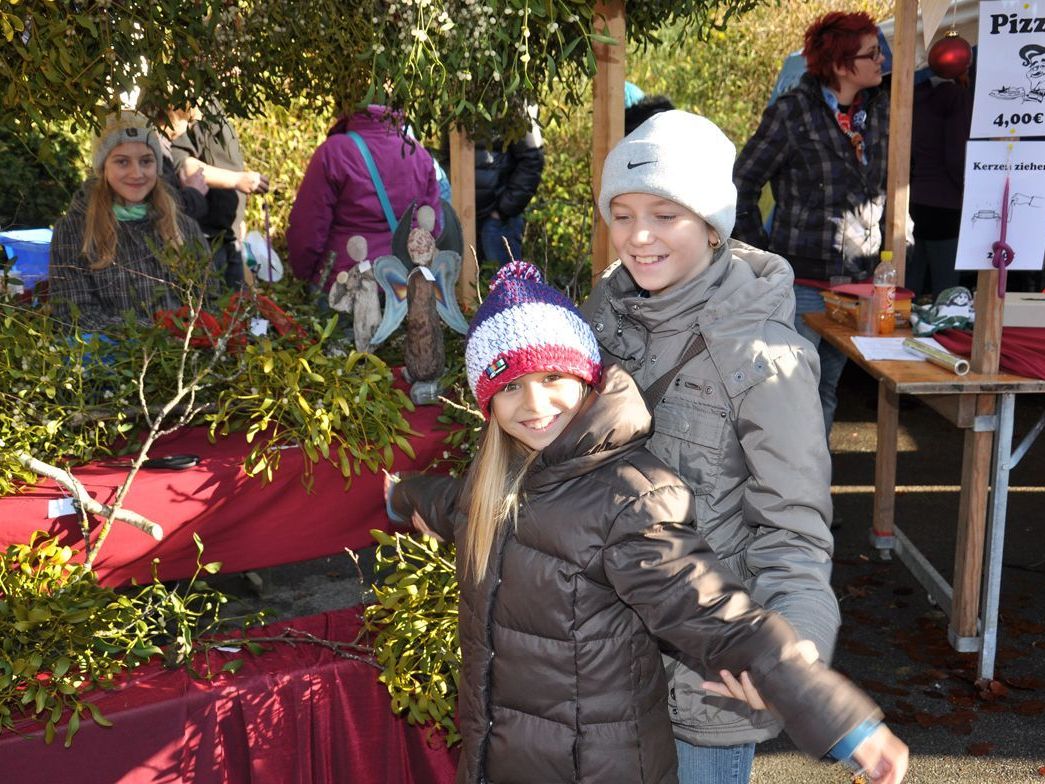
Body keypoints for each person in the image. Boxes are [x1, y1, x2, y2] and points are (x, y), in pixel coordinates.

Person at [388, 260, 908, 784]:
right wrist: (400, 495)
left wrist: (842, 722)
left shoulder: (628, 499)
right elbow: (453, 505)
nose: (534, 403)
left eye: (552, 377)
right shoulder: (498, 485)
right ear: (487, 402)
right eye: (510, 386)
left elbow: (717, 615)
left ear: (586, 377)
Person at [581, 109, 842, 784]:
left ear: (711, 222)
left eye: (665, 214)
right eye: (622, 212)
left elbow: (793, 531)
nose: (638, 237)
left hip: (706, 685)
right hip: (602, 666)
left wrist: (795, 645)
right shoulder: (598, 318)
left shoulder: (765, 357)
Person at [733, 11, 889, 436]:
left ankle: (811, 490)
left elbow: (888, 188)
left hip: (857, 286)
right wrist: (761, 256)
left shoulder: (880, 111)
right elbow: (742, 182)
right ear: (841, 65)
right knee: (789, 391)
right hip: (803, 286)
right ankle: (785, 488)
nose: (882, 61)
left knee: (827, 389)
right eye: (872, 53)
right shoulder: (793, 112)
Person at [49, 111, 207, 332]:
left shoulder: (183, 226)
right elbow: (73, 314)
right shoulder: (75, 230)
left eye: (146, 161)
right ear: (103, 168)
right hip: (110, 362)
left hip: (184, 357)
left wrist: (192, 332)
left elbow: (209, 299)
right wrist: (155, 333)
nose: (137, 173)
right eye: (122, 162)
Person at [286, 105, 442, 289]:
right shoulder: (419, 154)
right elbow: (432, 227)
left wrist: (304, 276)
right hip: (401, 283)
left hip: (345, 282)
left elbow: (309, 227)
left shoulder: (334, 153)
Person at [170, 102, 268, 288]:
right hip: (206, 240)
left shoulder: (215, 101)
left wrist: (238, 222)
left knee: (239, 310)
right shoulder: (184, 101)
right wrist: (238, 180)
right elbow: (184, 166)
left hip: (230, 234)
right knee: (213, 308)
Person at [907, 70, 972, 299]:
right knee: (947, 292)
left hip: (917, 198)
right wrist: (970, 189)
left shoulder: (916, 94)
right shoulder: (956, 97)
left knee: (911, 286)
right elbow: (957, 155)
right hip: (947, 202)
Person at [467, 111, 544, 265]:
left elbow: (533, 160)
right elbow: (447, 156)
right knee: (472, 286)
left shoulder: (511, 103)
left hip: (498, 222)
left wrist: (502, 211)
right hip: (466, 218)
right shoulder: (455, 97)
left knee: (507, 285)